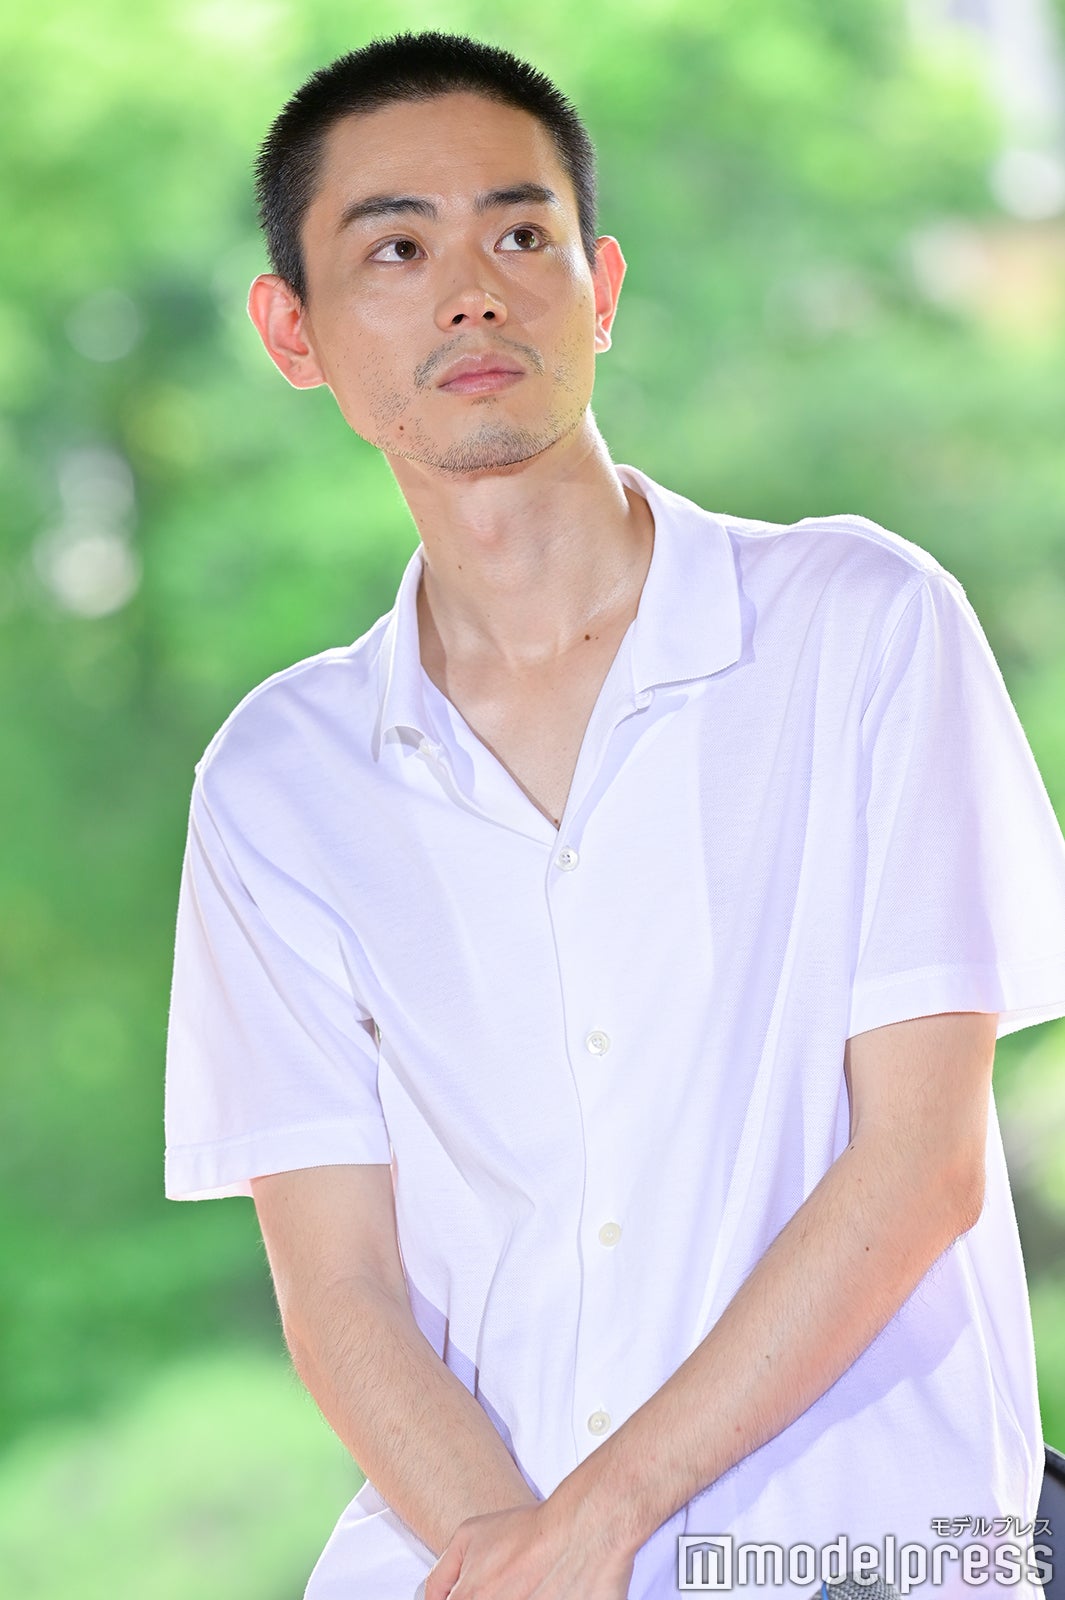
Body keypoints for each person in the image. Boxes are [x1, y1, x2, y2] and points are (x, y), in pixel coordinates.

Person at [163, 29, 1065, 1600]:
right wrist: (514, 1556)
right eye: (396, 249)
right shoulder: (276, 783)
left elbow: (920, 1159)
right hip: (468, 1558)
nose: (472, 292)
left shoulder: (859, 624)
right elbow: (340, 1285)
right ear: (291, 330)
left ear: (602, 288)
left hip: (851, 1557)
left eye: (522, 235)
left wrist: (599, 1524)